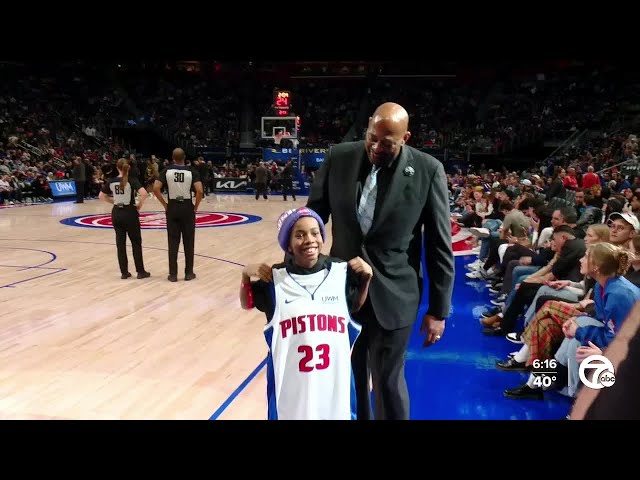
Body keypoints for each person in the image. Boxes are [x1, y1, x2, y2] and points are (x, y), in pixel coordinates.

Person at [306, 102, 455, 420]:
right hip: (341, 293)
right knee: (350, 379)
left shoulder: (428, 170)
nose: (375, 146)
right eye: (371, 137)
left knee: (387, 382)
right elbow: (312, 220)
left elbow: (440, 245)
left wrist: (438, 311)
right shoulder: (339, 157)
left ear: (405, 138)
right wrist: (297, 277)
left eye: (386, 142)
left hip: (395, 294)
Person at [240, 207, 373, 420]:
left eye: (315, 232)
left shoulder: (340, 272)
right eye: (299, 235)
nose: (309, 240)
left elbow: (353, 307)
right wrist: (246, 276)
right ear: (289, 245)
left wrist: (366, 280)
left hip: (333, 386)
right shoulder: (274, 280)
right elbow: (247, 303)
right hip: (291, 389)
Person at [153, 148, 203, 282]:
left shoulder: (166, 171)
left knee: (173, 242)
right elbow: (200, 191)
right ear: (184, 157)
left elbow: (156, 188)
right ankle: (188, 273)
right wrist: (195, 207)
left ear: (173, 158)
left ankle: (173, 274)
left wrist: (165, 204)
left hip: (173, 206)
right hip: (187, 206)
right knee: (189, 241)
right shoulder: (191, 171)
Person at [98, 157, 151, 280]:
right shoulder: (132, 180)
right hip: (130, 213)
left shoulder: (111, 181)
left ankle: (124, 272)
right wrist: (139, 205)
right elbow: (144, 193)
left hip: (117, 213)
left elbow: (101, 196)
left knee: (120, 244)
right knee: (136, 243)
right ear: (128, 168)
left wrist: (114, 202)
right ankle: (140, 271)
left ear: (117, 168)